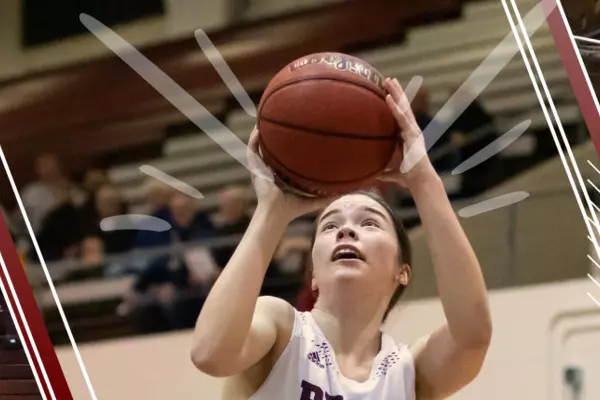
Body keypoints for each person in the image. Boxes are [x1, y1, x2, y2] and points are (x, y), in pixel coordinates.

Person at [190, 78, 492, 399]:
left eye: (369, 223)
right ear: (314, 274)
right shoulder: (281, 331)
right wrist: (271, 212)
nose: (346, 230)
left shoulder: (407, 372)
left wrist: (423, 180)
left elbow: (472, 337)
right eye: (330, 226)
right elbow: (210, 353)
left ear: (401, 271)